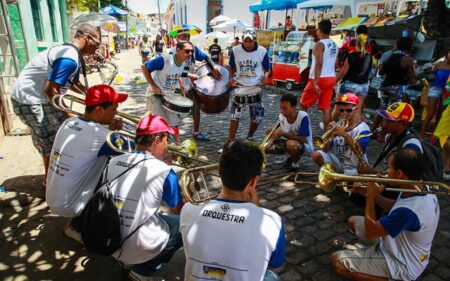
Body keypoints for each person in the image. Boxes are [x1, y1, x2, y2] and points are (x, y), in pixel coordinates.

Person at [180, 140, 285, 281]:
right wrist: (255, 211)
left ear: (219, 171)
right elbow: (275, 266)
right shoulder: (272, 221)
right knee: (272, 277)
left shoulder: (188, 209)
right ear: (253, 182)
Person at [11, 23, 100, 186]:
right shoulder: (69, 57)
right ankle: (51, 182)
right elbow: (51, 89)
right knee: (53, 140)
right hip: (31, 99)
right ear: (87, 38)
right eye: (98, 42)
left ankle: (51, 177)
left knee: (52, 137)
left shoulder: (72, 54)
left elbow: (72, 82)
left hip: (36, 97)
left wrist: (91, 94)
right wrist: (68, 114)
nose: (98, 48)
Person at [332, 147, 440, 281]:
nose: (385, 172)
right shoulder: (420, 187)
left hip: (402, 262)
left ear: (400, 173)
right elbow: (394, 206)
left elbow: (370, 232)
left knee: (338, 261)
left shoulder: (408, 211)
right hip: (400, 245)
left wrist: (371, 197)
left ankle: (395, 278)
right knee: (353, 220)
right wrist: (371, 195)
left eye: (389, 168)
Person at [107, 114, 184, 281]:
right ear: (157, 139)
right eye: (166, 139)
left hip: (109, 239)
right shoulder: (164, 171)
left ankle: (128, 261)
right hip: (137, 243)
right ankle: (143, 271)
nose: (167, 145)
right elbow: (180, 210)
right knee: (185, 225)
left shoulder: (114, 161)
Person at [46, 84, 127, 243]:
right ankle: (79, 226)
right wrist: (116, 133)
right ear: (98, 110)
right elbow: (130, 155)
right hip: (69, 205)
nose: (116, 113)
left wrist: (110, 131)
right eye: (113, 109)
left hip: (53, 197)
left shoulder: (68, 122)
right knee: (121, 173)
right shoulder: (102, 137)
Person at [169, 30, 222, 141]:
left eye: (188, 36)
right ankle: (173, 135)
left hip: (190, 85)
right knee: (174, 112)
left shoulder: (192, 49)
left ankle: (196, 132)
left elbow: (206, 58)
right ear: (177, 38)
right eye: (183, 36)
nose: (186, 38)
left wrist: (213, 67)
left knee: (196, 108)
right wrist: (188, 74)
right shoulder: (172, 52)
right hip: (176, 85)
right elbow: (171, 70)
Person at [141, 41, 197, 136]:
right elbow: (144, 67)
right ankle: (159, 145)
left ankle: (178, 144)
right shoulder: (165, 60)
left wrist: (182, 81)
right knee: (158, 125)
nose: (190, 54)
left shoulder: (183, 62)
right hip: (155, 96)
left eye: (192, 51)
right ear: (178, 50)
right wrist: (154, 86)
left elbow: (175, 72)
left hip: (170, 96)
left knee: (174, 122)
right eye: (187, 51)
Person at [225, 27, 270, 146]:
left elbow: (267, 69)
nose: (248, 44)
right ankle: (230, 141)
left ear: (255, 40)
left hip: (256, 86)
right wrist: (230, 79)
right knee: (235, 116)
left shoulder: (263, 51)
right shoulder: (235, 50)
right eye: (245, 41)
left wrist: (266, 77)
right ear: (242, 40)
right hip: (240, 86)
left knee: (257, 117)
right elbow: (232, 67)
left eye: (250, 41)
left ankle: (249, 137)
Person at [312, 93, 371, 176]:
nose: (344, 113)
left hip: (355, 165)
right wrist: (328, 137)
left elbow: (360, 152)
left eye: (348, 110)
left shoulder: (363, 128)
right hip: (339, 162)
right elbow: (325, 150)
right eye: (341, 110)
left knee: (350, 175)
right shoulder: (338, 126)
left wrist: (345, 135)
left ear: (356, 109)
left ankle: (342, 178)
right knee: (316, 155)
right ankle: (334, 177)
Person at [371, 37, 417, 132]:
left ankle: (373, 131)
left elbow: (380, 72)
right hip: (397, 89)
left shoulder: (389, 57)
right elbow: (412, 78)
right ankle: (383, 134)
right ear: (409, 47)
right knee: (393, 113)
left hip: (384, 87)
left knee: (382, 110)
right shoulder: (407, 60)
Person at [300, 19, 338, 130]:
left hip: (319, 78)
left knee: (303, 104)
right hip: (330, 78)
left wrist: (315, 82)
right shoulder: (334, 44)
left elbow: (319, 63)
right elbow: (336, 64)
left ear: (319, 30)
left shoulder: (319, 44)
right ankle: (326, 135)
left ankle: (302, 129)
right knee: (326, 108)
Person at [264, 93, 314, 170]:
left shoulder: (303, 116)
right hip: (288, 144)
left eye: (285, 108)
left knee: (291, 144)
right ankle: (291, 156)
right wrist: (271, 134)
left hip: (304, 146)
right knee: (265, 146)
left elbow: (303, 139)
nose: (282, 111)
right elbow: (275, 134)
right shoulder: (281, 117)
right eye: (281, 108)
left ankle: (295, 164)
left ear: (293, 108)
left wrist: (283, 134)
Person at [335, 34, 372, 121]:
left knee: (338, 108)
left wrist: (336, 81)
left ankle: (330, 130)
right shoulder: (369, 57)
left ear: (356, 44)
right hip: (363, 86)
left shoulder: (352, 55)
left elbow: (344, 71)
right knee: (357, 110)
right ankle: (355, 131)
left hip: (349, 84)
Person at [420, 49, 450, 138]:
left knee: (440, 115)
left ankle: (434, 137)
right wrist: (430, 77)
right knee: (430, 114)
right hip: (435, 89)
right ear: (447, 53)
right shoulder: (439, 64)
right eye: (449, 52)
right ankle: (421, 135)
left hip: (447, 91)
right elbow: (432, 75)